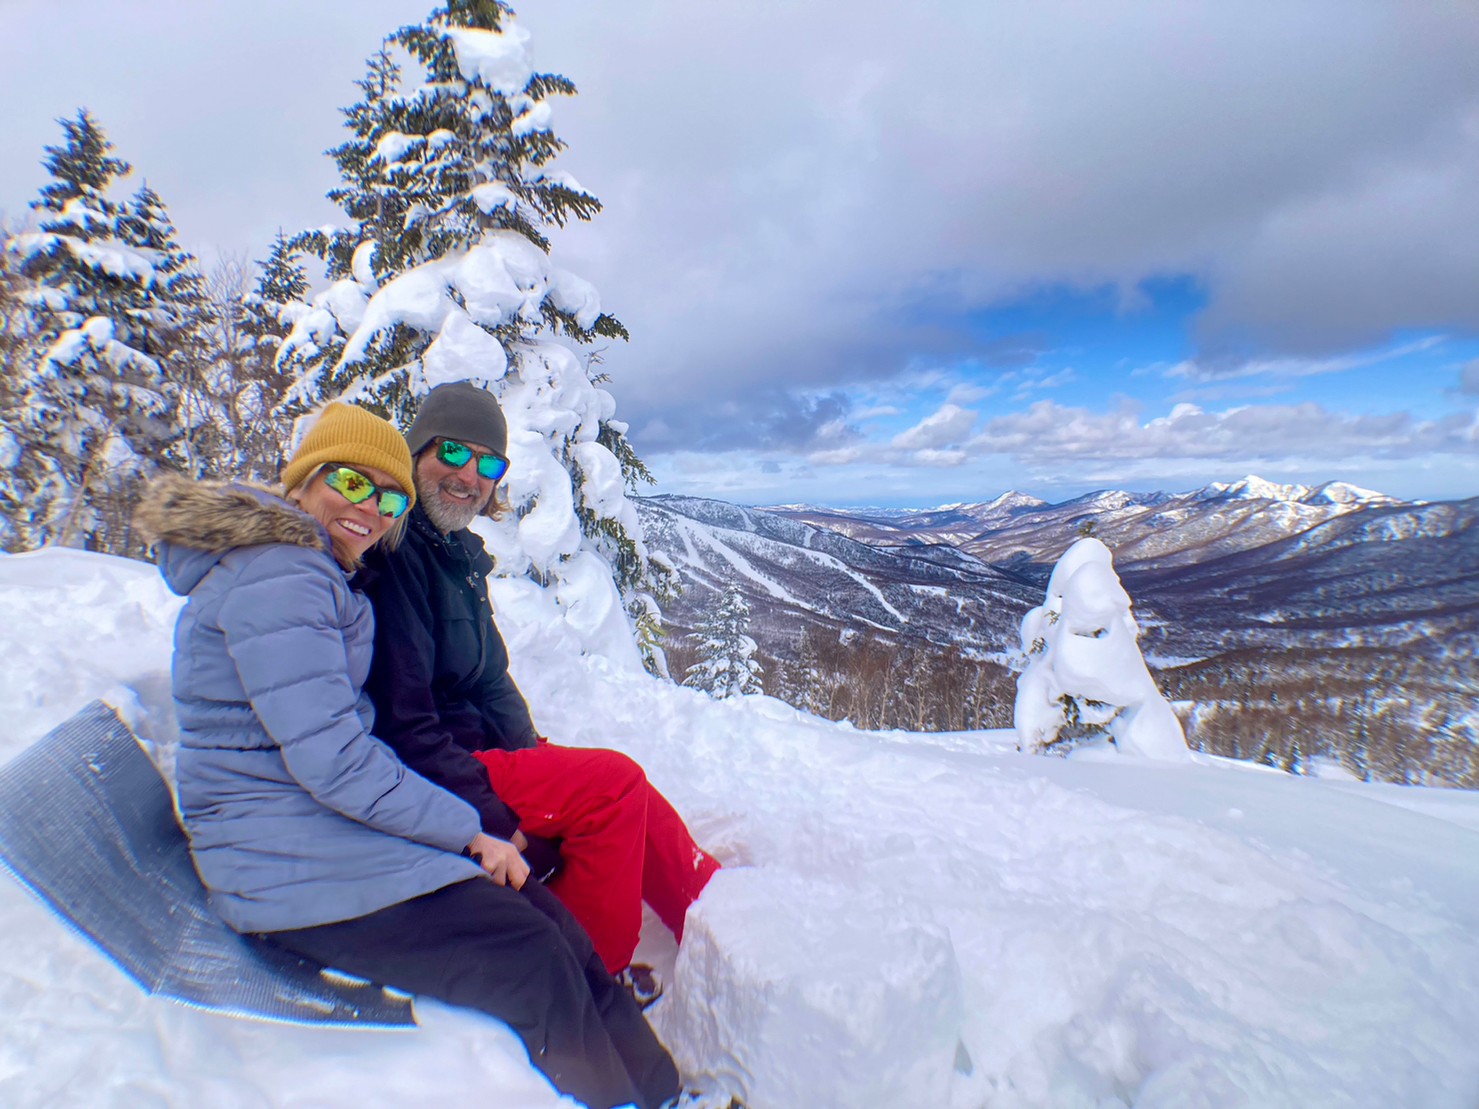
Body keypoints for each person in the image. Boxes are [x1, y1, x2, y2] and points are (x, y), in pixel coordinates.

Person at [137, 401, 679, 1109]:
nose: (371, 508)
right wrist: (469, 830)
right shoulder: (283, 578)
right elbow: (336, 756)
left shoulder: (315, 571)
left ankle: (662, 1094)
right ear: (305, 477)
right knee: (531, 952)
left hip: (313, 836)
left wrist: (468, 826)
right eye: (351, 483)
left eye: (389, 498)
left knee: (549, 924)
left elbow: (346, 741)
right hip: (280, 865)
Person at [362, 381, 722, 986]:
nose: (469, 475)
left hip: (477, 748)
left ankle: (717, 910)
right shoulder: (397, 552)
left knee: (627, 789)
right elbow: (404, 723)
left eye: (488, 464)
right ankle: (590, 979)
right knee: (612, 787)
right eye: (454, 452)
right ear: (416, 450)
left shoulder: (456, 555)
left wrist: (531, 752)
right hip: (438, 765)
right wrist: (491, 809)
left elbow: (490, 679)